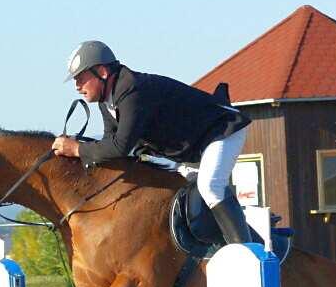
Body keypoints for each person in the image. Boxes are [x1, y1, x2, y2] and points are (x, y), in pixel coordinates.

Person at [52, 40, 252, 244]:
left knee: (211, 186)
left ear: (102, 72)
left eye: (81, 78)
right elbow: (109, 142)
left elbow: (120, 147)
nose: (77, 86)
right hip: (192, 148)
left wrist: (77, 149)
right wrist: (80, 147)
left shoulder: (131, 90)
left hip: (222, 129)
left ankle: (248, 251)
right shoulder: (107, 100)